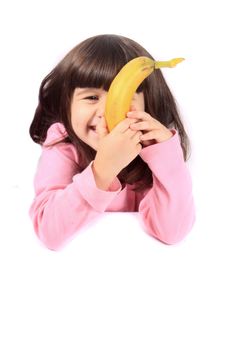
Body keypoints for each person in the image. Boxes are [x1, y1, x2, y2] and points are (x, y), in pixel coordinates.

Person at [29, 34, 195, 250]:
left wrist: (166, 157)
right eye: (91, 97)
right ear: (66, 103)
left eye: (122, 97)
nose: (106, 113)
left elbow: (172, 232)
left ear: (148, 105)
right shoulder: (62, 144)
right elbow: (48, 231)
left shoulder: (152, 151)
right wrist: (103, 170)